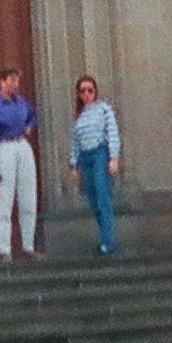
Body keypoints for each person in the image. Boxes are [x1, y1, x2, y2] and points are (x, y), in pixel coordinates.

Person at [0, 66, 39, 261]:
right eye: (12, 80)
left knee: (28, 195)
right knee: (5, 200)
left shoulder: (21, 102)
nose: (16, 84)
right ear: (2, 82)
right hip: (4, 147)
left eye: (17, 80)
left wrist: (29, 126)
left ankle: (28, 246)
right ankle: (5, 250)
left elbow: (33, 116)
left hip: (22, 145)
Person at [68, 75, 122, 256]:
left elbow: (112, 133)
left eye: (90, 90)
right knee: (93, 199)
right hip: (85, 157)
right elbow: (75, 142)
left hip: (100, 153)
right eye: (82, 91)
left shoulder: (104, 109)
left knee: (102, 194)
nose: (86, 94)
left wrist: (113, 158)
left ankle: (108, 240)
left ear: (95, 92)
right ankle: (104, 236)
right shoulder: (79, 117)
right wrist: (73, 166)